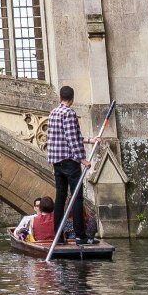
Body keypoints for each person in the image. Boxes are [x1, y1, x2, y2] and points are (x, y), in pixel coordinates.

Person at [45, 86, 88, 244]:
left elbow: (69, 136)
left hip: (56, 162)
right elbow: (71, 138)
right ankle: (80, 236)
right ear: (72, 98)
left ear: (60, 98)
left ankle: (58, 236)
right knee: (77, 197)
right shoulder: (69, 113)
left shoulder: (53, 113)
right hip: (70, 162)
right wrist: (82, 158)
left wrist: (90, 140)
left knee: (60, 198)